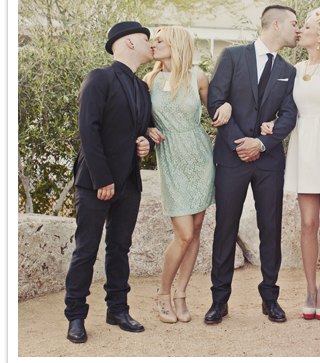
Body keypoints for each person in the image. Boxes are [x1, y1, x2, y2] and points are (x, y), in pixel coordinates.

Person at [205, 5, 299, 324]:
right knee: (225, 228)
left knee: (270, 228)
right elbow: (215, 101)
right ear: (276, 24)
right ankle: (219, 301)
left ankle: (270, 298)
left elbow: (289, 115)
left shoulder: (289, 70)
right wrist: (240, 143)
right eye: (294, 23)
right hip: (231, 158)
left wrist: (260, 144)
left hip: (269, 161)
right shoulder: (232, 56)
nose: (297, 29)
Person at [260, 6, 320, 321]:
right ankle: (310, 288)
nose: (300, 30)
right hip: (304, 148)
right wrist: (273, 124)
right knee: (308, 223)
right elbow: (292, 111)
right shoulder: (297, 67)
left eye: (308, 26)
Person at [64, 21, 156, 343]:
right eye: (146, 39)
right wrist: (103, 179)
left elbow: (143, 129)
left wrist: (146, 141)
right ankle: (76, 316)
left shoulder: (142, 87)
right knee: (86, 250)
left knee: (120, 248)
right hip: (95, 182)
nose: (151, 44)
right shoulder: (99, 77)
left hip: (129, 182)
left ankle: (117, 309)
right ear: (129, 42)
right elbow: (87, 130)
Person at [143, 26, 232, 323]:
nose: (154, 44)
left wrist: (227, 105)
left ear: (176, 45)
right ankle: (163, 293)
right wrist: (146, 128)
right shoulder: (149, 80)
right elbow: (137, 118)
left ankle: (181, 294)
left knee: (195, 230)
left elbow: (215, 108)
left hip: (200, 157)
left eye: (160, 40)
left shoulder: (198, 77)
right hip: (171, 157)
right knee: (183, 234)